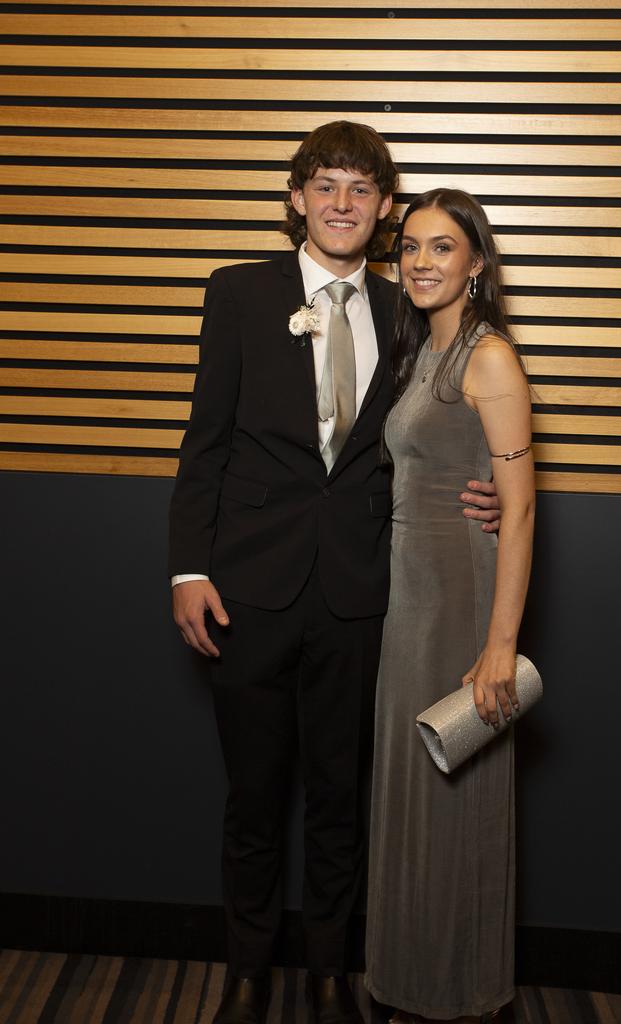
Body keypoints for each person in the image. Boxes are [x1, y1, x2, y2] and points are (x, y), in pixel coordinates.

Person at [168, 123, 501, 1024]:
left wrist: (493, 498)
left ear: (385, 209)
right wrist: (187, 571)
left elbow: (444, 433)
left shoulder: (410, 308)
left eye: (362, 188)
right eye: (327, 186)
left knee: (339, 798)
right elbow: (204, 445)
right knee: (253, 795)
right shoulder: (237, 295)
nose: (343, 203)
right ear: (296, 199)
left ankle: (329, 966)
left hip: (364, 597)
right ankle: (244, 969)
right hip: (246, 593)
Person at [364, 189, 535, 1021]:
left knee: (453, 795)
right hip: (409, 601)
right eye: (411, 247)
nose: (421, 261)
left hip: (460, 602)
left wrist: (501, 643)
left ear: (477, 262)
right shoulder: (420, 351)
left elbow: (523, 505)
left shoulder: (488, 355)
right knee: (413, 793)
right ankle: (410, 981)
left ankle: (458, 989)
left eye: (442, 247)